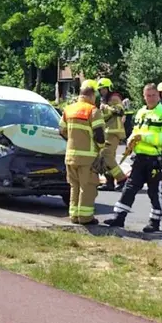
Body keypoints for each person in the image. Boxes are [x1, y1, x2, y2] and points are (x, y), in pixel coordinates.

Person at [104, 83, 162, 233]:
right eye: (147, 95)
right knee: (129, 188)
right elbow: (135, 131)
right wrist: (131, 142)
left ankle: (154, 222)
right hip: (140, 158)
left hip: (156, 159)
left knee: (155, 191)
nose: (150, 98)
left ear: (158, 96)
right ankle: (119, 218)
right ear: (143, 96)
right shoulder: (141, 112)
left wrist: (143, 137)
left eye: (153, 95)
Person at [58, 80, 106, 225]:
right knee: (88, 187)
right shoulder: (93, 111)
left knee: (74, 186)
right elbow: (99, 135)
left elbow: (61, 131)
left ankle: (74, 215)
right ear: (92, 96)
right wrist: (101, 148)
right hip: (88, 157)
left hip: (70, 156)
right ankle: (85, 217)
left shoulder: (69, 109)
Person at [97, 79, 127, 191]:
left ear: (109, 88)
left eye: (104, 89)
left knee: (106, 155)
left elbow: (120, 111)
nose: (102, 91)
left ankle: (122, 179)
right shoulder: (104, 99)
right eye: (100, 90)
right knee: (107, 158)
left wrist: (105, 108)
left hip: (113, 131)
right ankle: (109, 183)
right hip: (107, 131)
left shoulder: (114, 97)